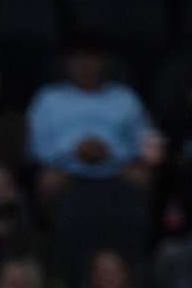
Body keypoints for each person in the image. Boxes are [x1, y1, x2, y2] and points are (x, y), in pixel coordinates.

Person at [25, 37, 159, 199]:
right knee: (48, 181)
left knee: (142, 177)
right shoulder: (48, 97)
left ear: (104, 62)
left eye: (91, 58)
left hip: (116, 167)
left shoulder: (125, 97)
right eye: (79, 58)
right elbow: (37, 147)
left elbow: (146, 142)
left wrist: (110, 152)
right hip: (65, 168)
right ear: (67, 63)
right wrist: (75, 150)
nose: (85, 65)